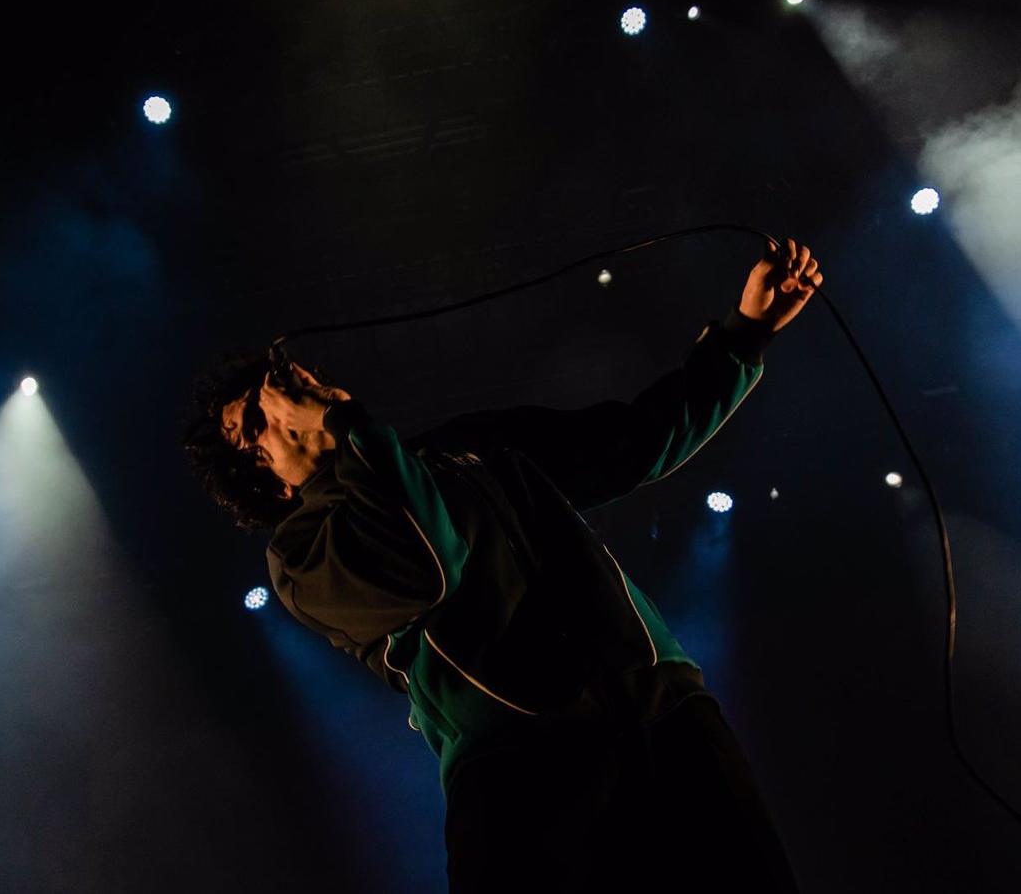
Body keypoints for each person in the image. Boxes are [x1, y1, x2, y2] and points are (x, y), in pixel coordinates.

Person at [184, 238, 823, 892]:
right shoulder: (300, 553)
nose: (288, 396)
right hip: (521, 769)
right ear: (271, 484)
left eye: (278, 383)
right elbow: (426, 561)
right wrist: (349, 426)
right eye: (258, 420)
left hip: (665, 716)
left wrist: (744, 333)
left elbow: (630, 444)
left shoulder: (460, 449)